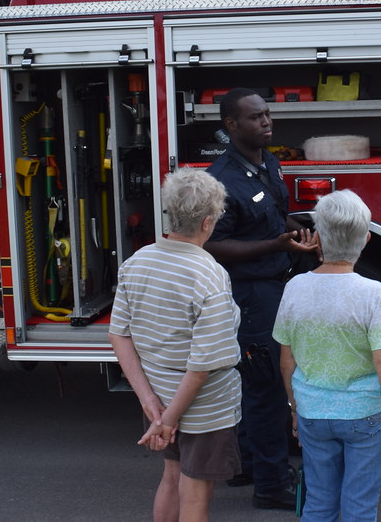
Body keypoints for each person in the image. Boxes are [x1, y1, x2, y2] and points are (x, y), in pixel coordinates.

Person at [204, 87, 318, 510]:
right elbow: (215, 245)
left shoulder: (268, 161)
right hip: (250, 294)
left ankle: (248, 465)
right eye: (255, 117)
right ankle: (271, 487)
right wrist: (277, 246)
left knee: (256, 382)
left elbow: (271, 216)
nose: (267, 122)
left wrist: (299, 230)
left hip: (274, 285)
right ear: (231, 126)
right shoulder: (220, 179)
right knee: (266, 387)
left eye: (268, 114)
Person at [108, 168, 242, 522]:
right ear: (208, 222)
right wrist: (169, 419)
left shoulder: (136, 263)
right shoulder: (210, 276)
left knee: (170, 478)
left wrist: (150, 402)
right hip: (202, 408)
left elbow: (118, 335)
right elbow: (202, 365)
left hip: (159, 398)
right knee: (196, 496)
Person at [273, 189, 381, 521]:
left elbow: (287, 361)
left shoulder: (294, 288)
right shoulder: (374, 295)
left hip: (312, 412)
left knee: (319, 503)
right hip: (366, 414)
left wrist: (294, 409)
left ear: (316, 238)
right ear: (365, 239)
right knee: (359, 506)